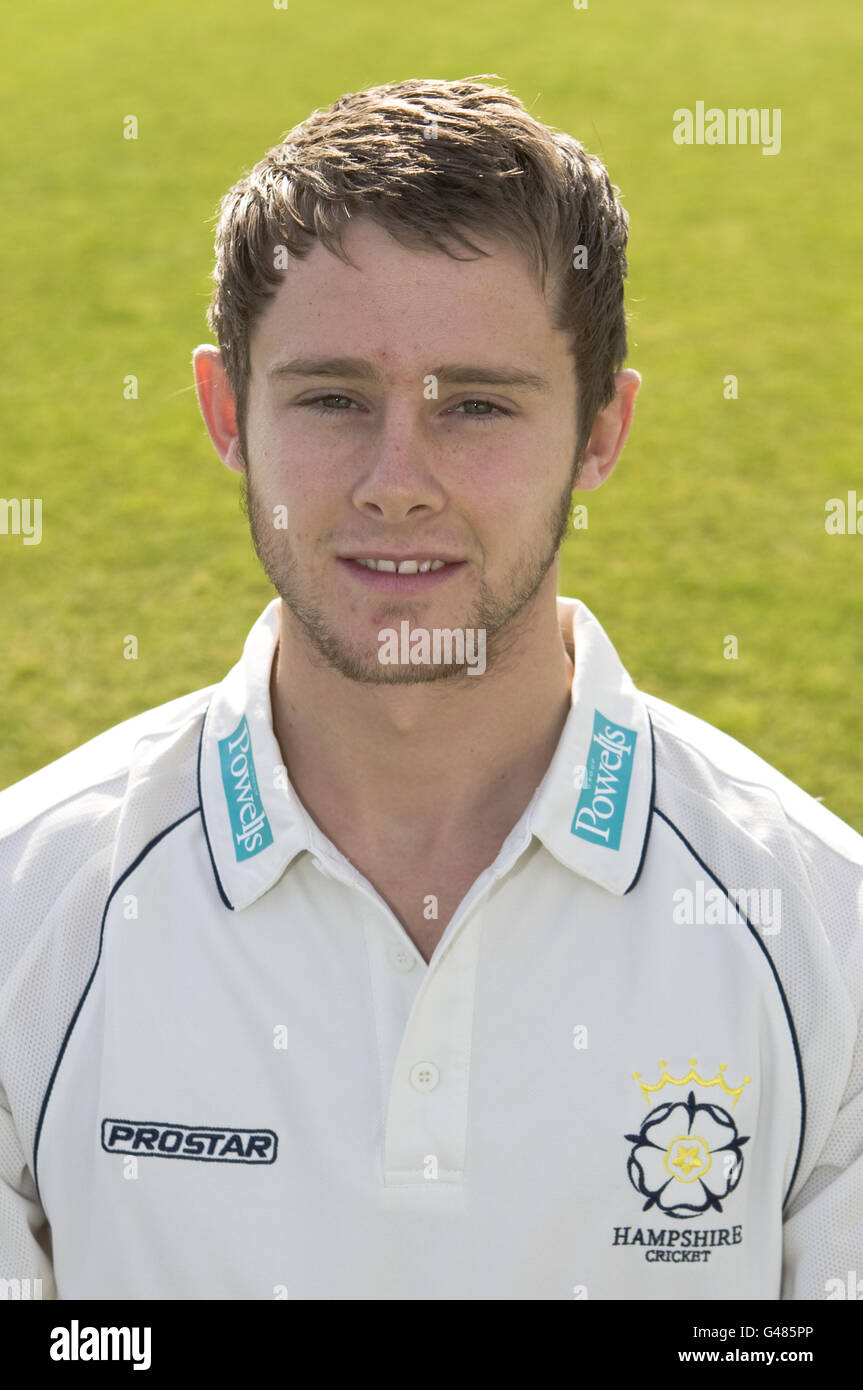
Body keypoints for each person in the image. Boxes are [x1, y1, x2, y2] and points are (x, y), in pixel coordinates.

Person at [0, 76, 860, 1302]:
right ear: (224, 410)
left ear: (601, 431)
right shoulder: (25, 915)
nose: (396, 480)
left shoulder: (823, 935)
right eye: (335, 397)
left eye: (477, 405)